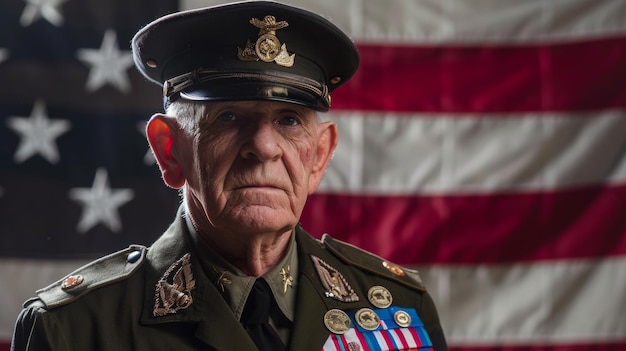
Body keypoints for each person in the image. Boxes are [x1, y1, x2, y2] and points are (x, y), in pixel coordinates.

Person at [11, 1, 447, 350]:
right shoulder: (76, 330)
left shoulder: (398, 311)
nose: (263, 146)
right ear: (170, 150)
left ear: (319, 156)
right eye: (230, 116)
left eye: (290, 121)